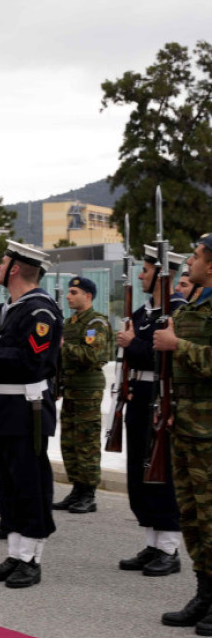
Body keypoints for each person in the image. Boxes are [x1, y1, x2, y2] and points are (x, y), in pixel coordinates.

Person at [0, 242, 62, 589]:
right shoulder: (5, 309)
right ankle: (15, 552)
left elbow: (32, 361)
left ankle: (32, 558)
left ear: (17, 269)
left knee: (29, 483)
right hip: (3, 406)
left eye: (3, 262)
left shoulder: (40, 311)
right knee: (8, 483)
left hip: (28, 408)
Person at [153, 234, 212, 634]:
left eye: (195, 255)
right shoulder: (192, 308)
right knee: (191, 516)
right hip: (186, 426)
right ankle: (204, 592)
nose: (188, 261)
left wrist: (178, 345)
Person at [117, 246, 187, 576]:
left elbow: (167, 357)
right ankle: (152, 541)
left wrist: (133, 344)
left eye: (145, 270)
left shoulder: (177, 310)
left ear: (160, 274)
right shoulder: (145, 312)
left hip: (160, 395)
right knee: (139, 471)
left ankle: (170, 547)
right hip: (139, 395)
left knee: (161, 472)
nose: (141, 276)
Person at [51, 276, 111, 513]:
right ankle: (77, 488)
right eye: (69, 292)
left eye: (74, 292)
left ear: (88, 295)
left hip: (88, 390)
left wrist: (63, 346)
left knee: (86, 442)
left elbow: (93, 355)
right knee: (70, 442)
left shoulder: (96, 323)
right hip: (71, 389)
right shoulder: (71, 323)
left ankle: (88, 493)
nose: (68, 296)